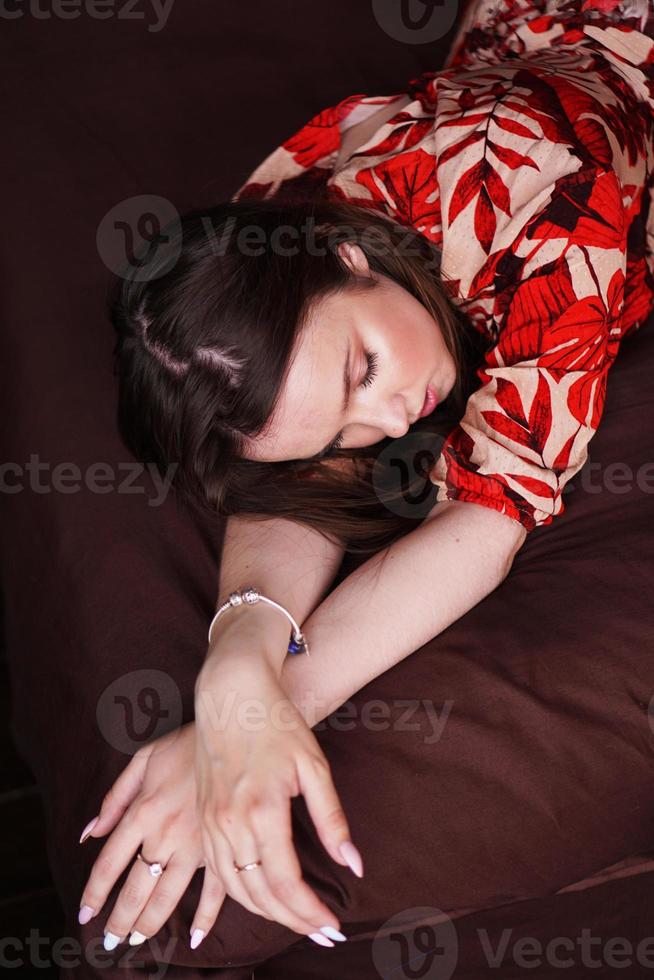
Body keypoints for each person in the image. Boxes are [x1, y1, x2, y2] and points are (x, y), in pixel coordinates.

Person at [77, 0, 654, 959]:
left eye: (361, 373)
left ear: (349, 255)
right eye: (340, 425)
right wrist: (236, 662)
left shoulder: (548, 202)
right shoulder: (251, 270)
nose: (393, 421)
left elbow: (490, 519)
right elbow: (290, 483)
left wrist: (256, 726)